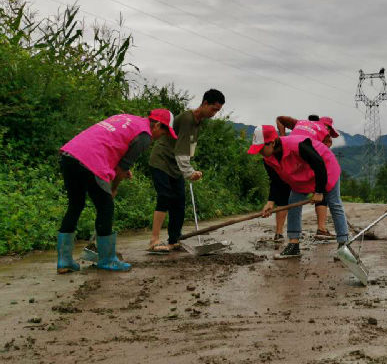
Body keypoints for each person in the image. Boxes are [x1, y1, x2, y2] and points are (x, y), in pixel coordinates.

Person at [57, 109, 177, 273]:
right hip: (91, 160)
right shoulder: (145, 136)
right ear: (156, 125)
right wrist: (113, 188)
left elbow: (110, 144)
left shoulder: (126, 118)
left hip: (70, 155)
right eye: (163, 133)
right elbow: (121, 168)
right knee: (105, 207)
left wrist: (120, 169)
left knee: (75, 205)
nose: (159, 138)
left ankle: (64, 261)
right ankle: (107, 259)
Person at [247, 124, 349, 259]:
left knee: (334, 203)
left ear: (272, 142)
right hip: (301, 176)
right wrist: (271, 202)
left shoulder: (297, 144)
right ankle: (293, 245)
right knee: (293, 202)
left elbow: (319, 164)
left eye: (261, 148)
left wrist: (319, 192)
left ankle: (343, 245)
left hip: (325, 169)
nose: (260, 152)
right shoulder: (268, 160)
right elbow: (276, 182)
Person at [146, 89, 225, 253]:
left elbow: (188, 149)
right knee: (165, 196)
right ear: (204, 104)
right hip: (162, 160)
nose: (214, 113)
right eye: (213, 109)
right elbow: (180, 151)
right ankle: (154, 240)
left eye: (217, 111)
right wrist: (189, 172)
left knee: (179, 201)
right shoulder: (187, 119)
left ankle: (174, 240)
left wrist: (189, 170)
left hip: (176, 165)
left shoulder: (198, 122)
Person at [274, 113, 340, 241]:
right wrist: (319, 190)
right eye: (329, 129)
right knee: (324, 196)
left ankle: (285, 235)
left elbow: (279, 119)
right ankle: (321, 230)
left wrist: (282, 138)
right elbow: (321, 161)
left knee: (292, 200)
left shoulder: (299, 124)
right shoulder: (323, 133)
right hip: (304, 168)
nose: (328, 132)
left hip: (292, 165)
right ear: (326, 126)